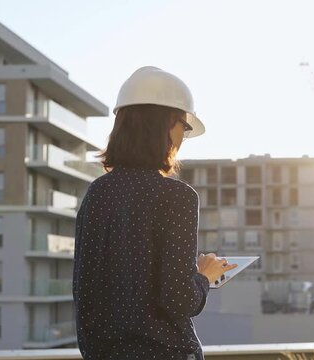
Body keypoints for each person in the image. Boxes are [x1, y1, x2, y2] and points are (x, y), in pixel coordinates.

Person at [72, 66, 238, 360]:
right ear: (166, 124)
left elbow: (84, 293)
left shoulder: (97, 194)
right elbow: (179, 299)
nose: (183, 138)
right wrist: (203, 276)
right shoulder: (176, 196)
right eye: (184, 127)